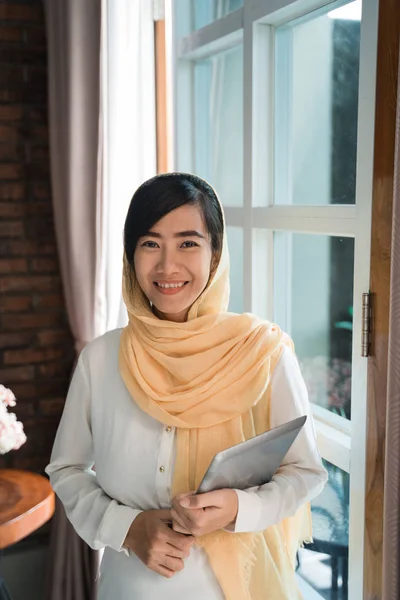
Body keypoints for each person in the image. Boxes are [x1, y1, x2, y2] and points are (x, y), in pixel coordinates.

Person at [46, 172, 327, 600]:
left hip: (237, 589)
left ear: (215, 254)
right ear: (130, 255)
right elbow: (66, 470)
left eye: (188, 243)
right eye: (150, 244)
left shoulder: (261, 353)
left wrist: (238, 508)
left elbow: (305, 473)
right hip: (128, 586)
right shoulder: (100, 359)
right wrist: (128, 529)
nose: (167, 266)